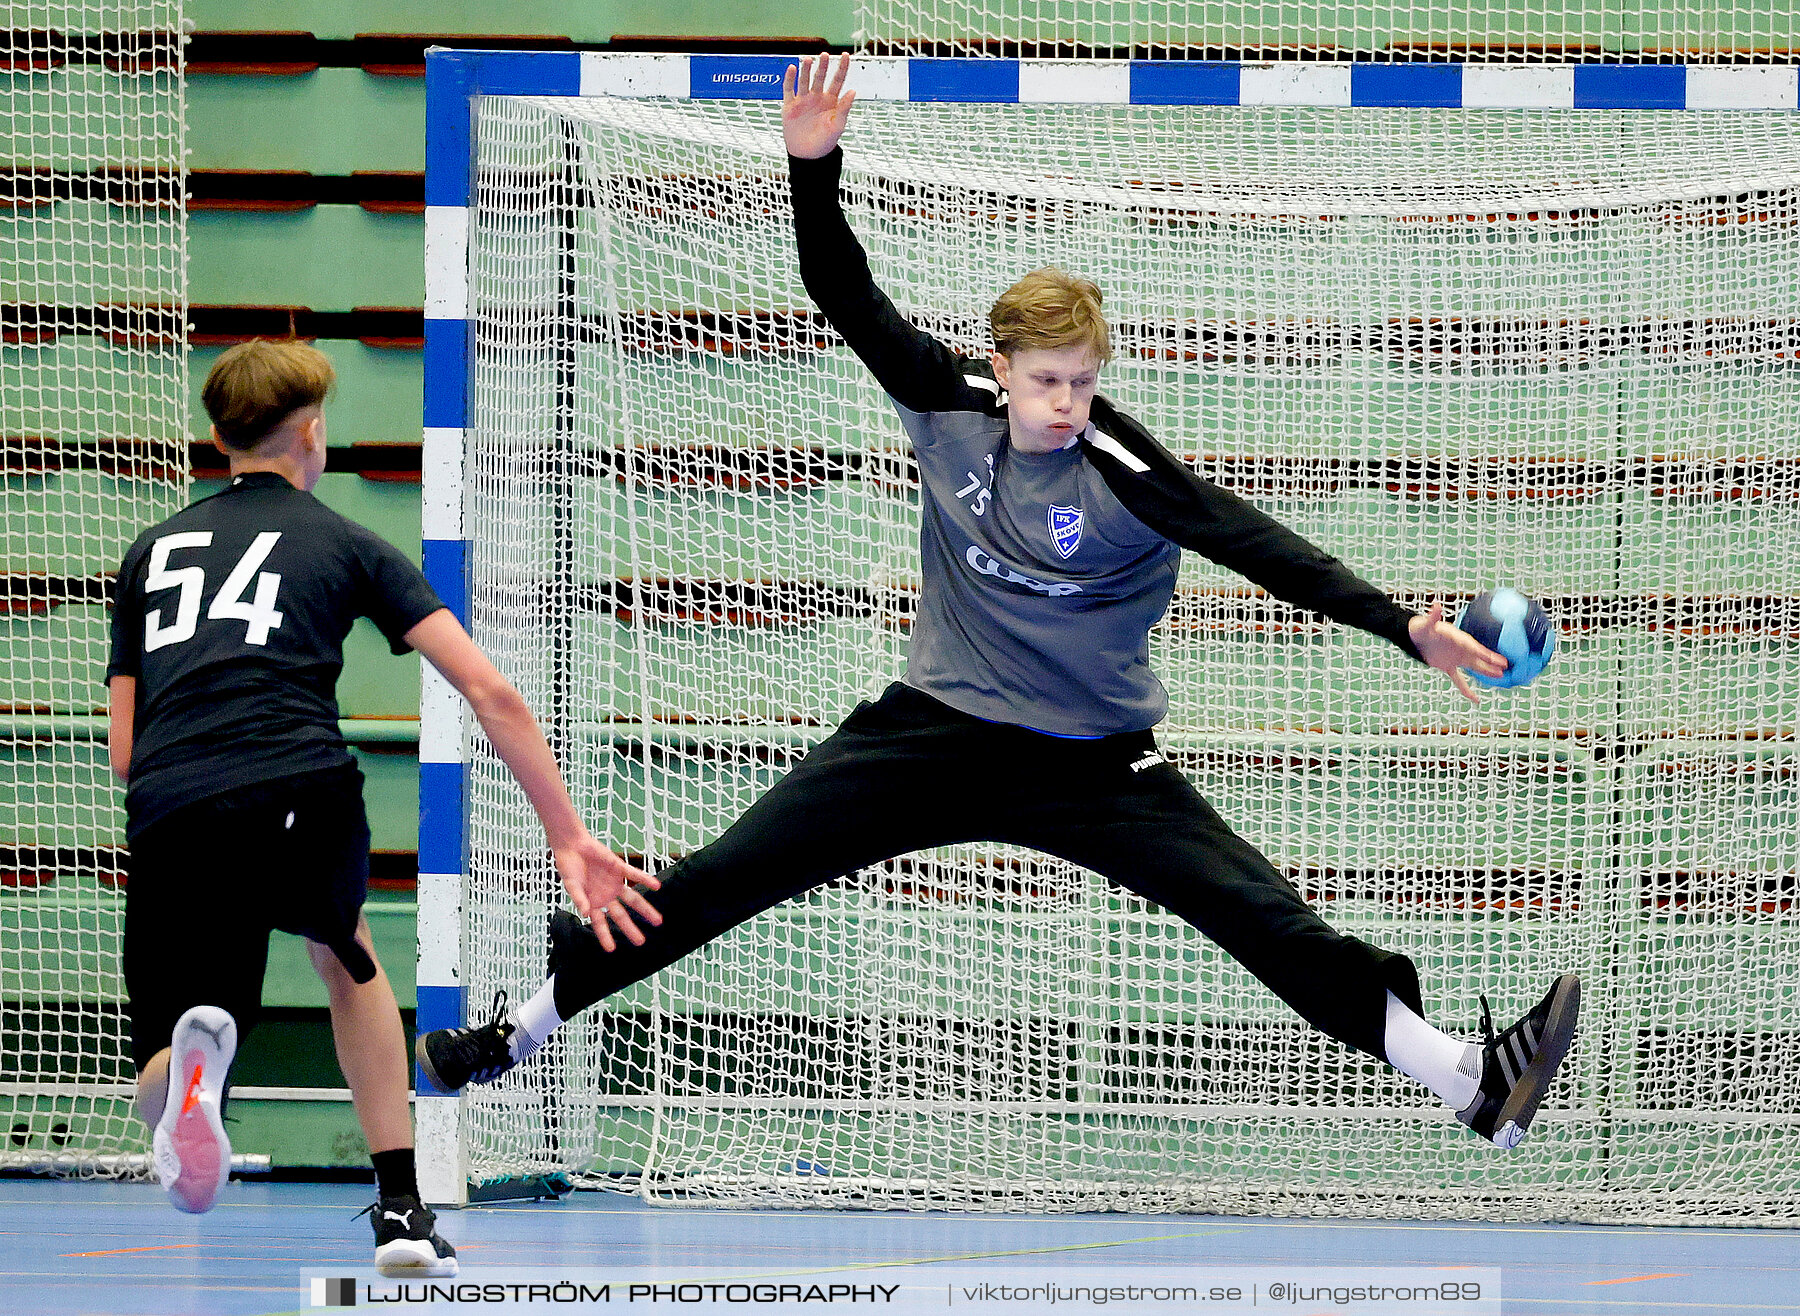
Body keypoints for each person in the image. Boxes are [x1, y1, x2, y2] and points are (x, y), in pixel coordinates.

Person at [416, 54, 1579, 1154]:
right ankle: (508, 1036)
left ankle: (1473, 1080)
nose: (1067, 401)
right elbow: (841, 289)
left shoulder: (1125, 470)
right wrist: (811, 169)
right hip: (931, 733)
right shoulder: (944, 398)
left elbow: (1263, 548)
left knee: (1260, 916)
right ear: (1004, 366)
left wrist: (1403, 626)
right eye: (1046, 380)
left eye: (1083, 381)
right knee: (722, 875)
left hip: (1091, 760)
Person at [106, 340, 660, 1272]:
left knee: (165, 1058)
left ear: (216, 438)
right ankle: (401, 1211)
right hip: (299, 785)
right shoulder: (348, 543)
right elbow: (490, 693)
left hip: (173, 799)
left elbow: (125, 751)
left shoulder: (150, 552)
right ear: (313, 436)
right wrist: (566, 835)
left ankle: (194, 1081)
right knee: (347, 959)